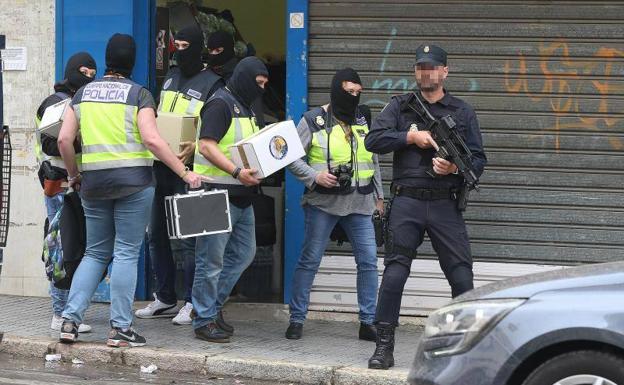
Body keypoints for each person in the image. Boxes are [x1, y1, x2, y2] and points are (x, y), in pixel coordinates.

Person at [57, 33, 205, 348]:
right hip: (133, 184)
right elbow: (152, 140)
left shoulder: (82, 94)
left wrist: (74, 175)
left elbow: (63, 140)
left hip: (93, 183)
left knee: (95, 252)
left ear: (107, 59)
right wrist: (184, 171)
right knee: (126, 251)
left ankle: (70, 320)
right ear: (132, 61)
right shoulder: (139, 94)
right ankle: (120, 328)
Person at [364, 44, 487, 369]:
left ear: (445, 72)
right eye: (421, 67)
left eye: (432, 67)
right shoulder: (400, 106)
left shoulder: (462, 111)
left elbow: (478, 160)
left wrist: (455, 169)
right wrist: (409, 138)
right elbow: (372, 141)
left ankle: (466, 351)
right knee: (394, 274)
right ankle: (383, 347)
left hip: (445, 204)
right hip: (407, 202)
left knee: (461, 277)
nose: (426, 72)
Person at [285, 68, 383, 341]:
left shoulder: (363, 118)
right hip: (323, 204)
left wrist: (380, 196)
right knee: (310, 260)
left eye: (357, 92)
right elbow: (290, 157)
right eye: (347, 92)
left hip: (361, 203)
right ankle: (296, 319)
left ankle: (367, 321)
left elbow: (372, 159)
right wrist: (314, 176)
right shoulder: (312, 120)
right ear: (335, 90)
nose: (352, 97)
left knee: (368, 262)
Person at [135, 26, 223, 325]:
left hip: (190, 169)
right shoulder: (170, 76)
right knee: (156, 234)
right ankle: (165, 297)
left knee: (189, 239)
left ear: (198, 47)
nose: (179, 50)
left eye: (185, 45)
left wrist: (195, 146)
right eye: (177, 45)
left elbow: (216, 127)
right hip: (160, 165)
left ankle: (192, 301)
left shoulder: (213, 82)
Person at [191, 57, 268, 343]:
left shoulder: (246, 106)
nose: (261, 89)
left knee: (244, 254)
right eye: (258, 83)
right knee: (209, 261)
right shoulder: (220, 103)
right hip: (214, 193)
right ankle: (203, 318)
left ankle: (211, 308)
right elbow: (206, 146)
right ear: (246, 78)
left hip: (240, 194)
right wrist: (237, 171)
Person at [35, 52, 96, 334]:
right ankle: (60, 313)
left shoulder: (73, 101)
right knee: (62, 249)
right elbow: (52, 143)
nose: (89, 77)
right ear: (72, 71)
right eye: (84, 71)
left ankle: (68, 309)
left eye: (93, 73)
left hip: (72, 187)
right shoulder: (56, 103)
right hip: (61, 187)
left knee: (75, 249)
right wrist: (82, 140)